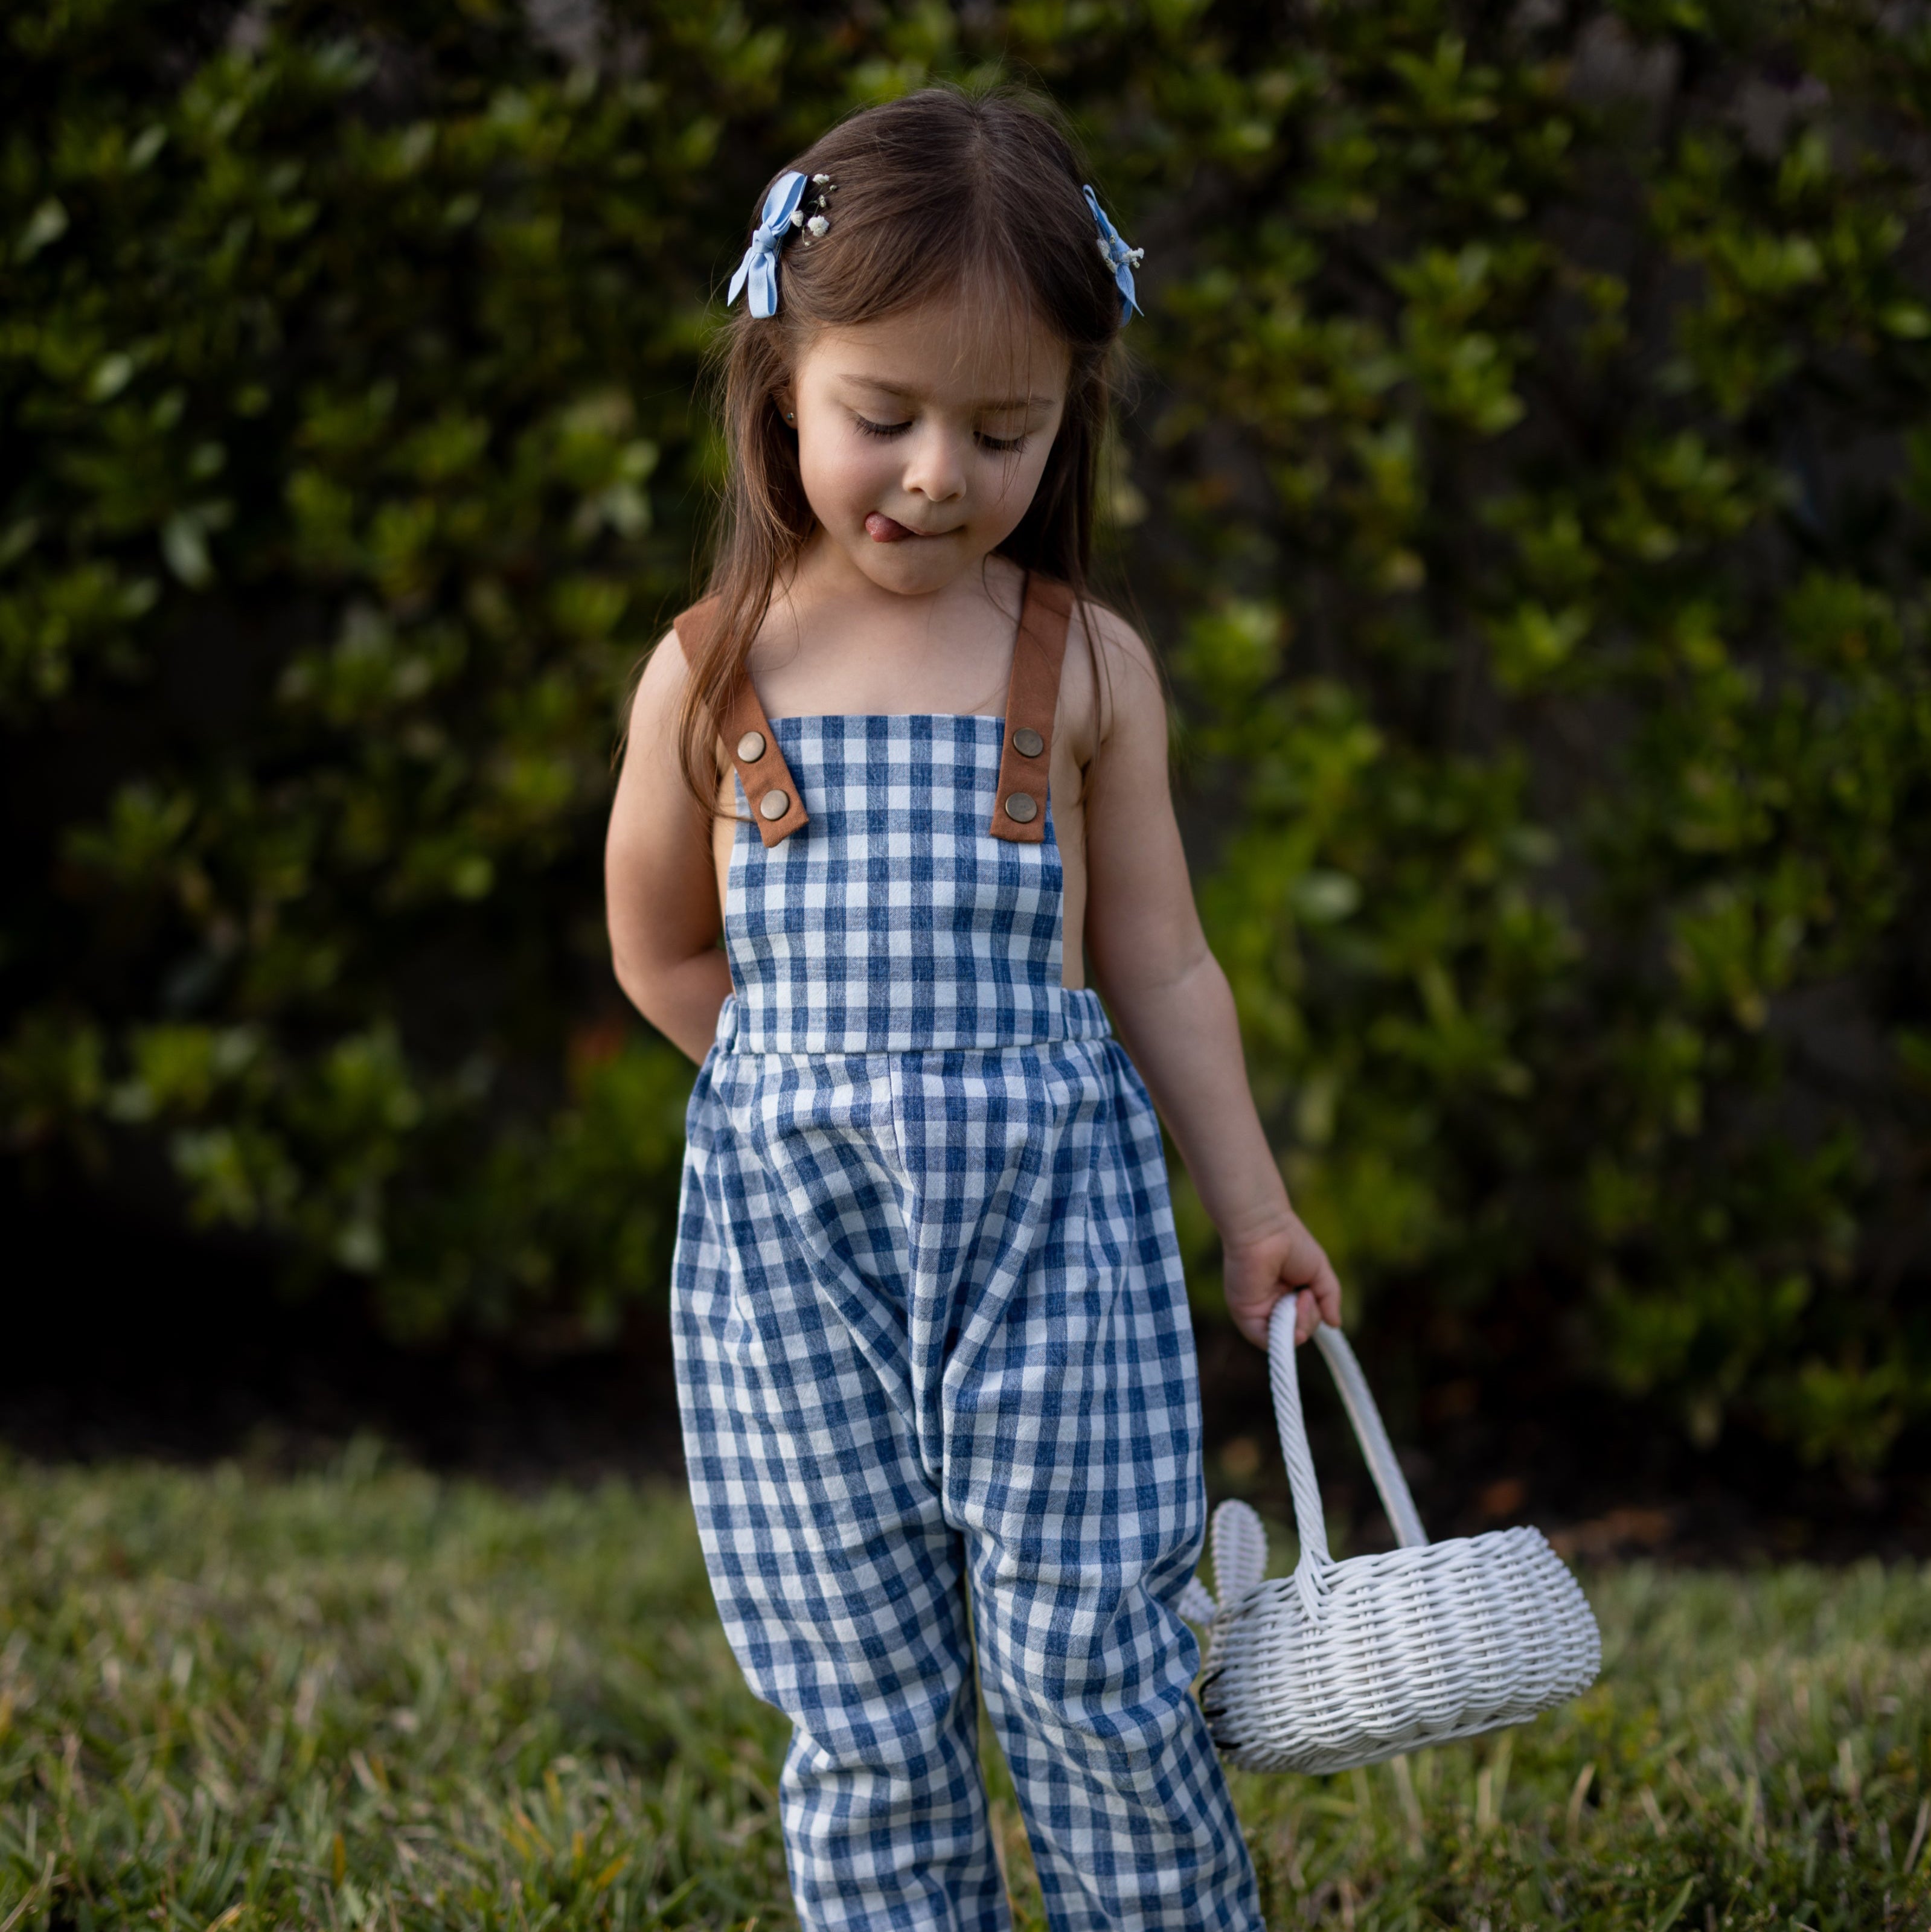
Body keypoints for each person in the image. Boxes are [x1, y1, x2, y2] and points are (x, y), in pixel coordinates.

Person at [604, 85, 1342, 1932]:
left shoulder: (1083, 663)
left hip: (1055, 1245)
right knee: (857, 1693)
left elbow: (1160, 959)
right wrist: (809, 1089)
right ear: (783, 373)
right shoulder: (710, 672)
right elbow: (662, 951)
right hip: (794, 1260)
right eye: (886, 416)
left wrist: (1252, 1210)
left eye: (1003, 431)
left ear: (1066, 420)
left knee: (1095, 1665)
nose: (938, 472)